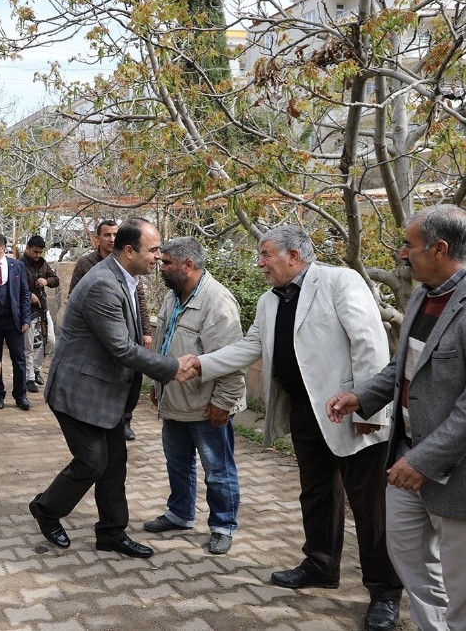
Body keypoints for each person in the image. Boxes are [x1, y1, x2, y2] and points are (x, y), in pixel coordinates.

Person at [180, 225, 403, 631]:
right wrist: (202, 362)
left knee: (370, 506)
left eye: (265, 254)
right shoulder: (269, 301)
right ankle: (320, 565)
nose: (259, 262)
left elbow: (369, 344)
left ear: (294, 257)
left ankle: (384, 591)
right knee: (316, 493)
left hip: (351, 413)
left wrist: (369, 410)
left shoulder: (339, 281)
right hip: (306, 413)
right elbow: (252, 345)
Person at [327, 204, 466, 631]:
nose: (402, 254)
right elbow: (401, 368)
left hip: (453, 472)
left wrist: (422, 461)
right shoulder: (424, 292)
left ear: (440, 249)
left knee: (461, 585)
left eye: (409, 245)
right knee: (408, 556)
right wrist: (360, 396)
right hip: (403, 457)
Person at [30, 219, 183, 558]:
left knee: (114, 464)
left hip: (108, 392)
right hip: (79, 392)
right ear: (129, 251)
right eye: (154, 250)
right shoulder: (102, 283)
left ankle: (112, 533)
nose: (159, 256)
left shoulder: (126, 278)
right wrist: (172, 368)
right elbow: (121, 348)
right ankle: (46, 509)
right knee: (92, 463)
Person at [145, 237, 244, 555]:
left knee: (218, 470)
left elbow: (232, 358)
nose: (161, 267)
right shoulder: (173, 297)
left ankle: (222, 525)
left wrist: (223, 402)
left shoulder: (218, 303)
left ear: (188, 265)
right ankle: (180, 514)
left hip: (206, 406)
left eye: (167, 263)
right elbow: (164, 343)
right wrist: (157, 383)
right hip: (174, 401)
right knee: (177, 464)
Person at [70, 219, 151, 440]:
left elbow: (139, 300)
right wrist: (171, 370)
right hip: (102, 333)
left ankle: (124, 420)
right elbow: (76, 298)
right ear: (98, 238)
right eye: (107, 235)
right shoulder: (88, 266)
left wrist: (145, 330)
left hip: (127, 332)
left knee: (131, 378)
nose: (111, 238)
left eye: (115, 234)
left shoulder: (131, 269)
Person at [0, 233, 31, 410]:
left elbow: (25, 293)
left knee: (19, 359)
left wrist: (25, 318)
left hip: (13, 321)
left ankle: (20, 395)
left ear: (2, 248)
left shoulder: (17, 266)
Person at [22, 235, 59, 392]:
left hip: (42, 308)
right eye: (35, 252)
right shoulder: (19, 264)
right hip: (26, 310)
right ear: (28, 248)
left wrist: (46, 281)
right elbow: (13, 285)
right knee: (28, 346)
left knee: (50, 340)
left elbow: (55, 280)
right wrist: (27, 294)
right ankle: (29, 377)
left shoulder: (44, 264)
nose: (38, 255)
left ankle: (36, 368)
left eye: (40, 252)